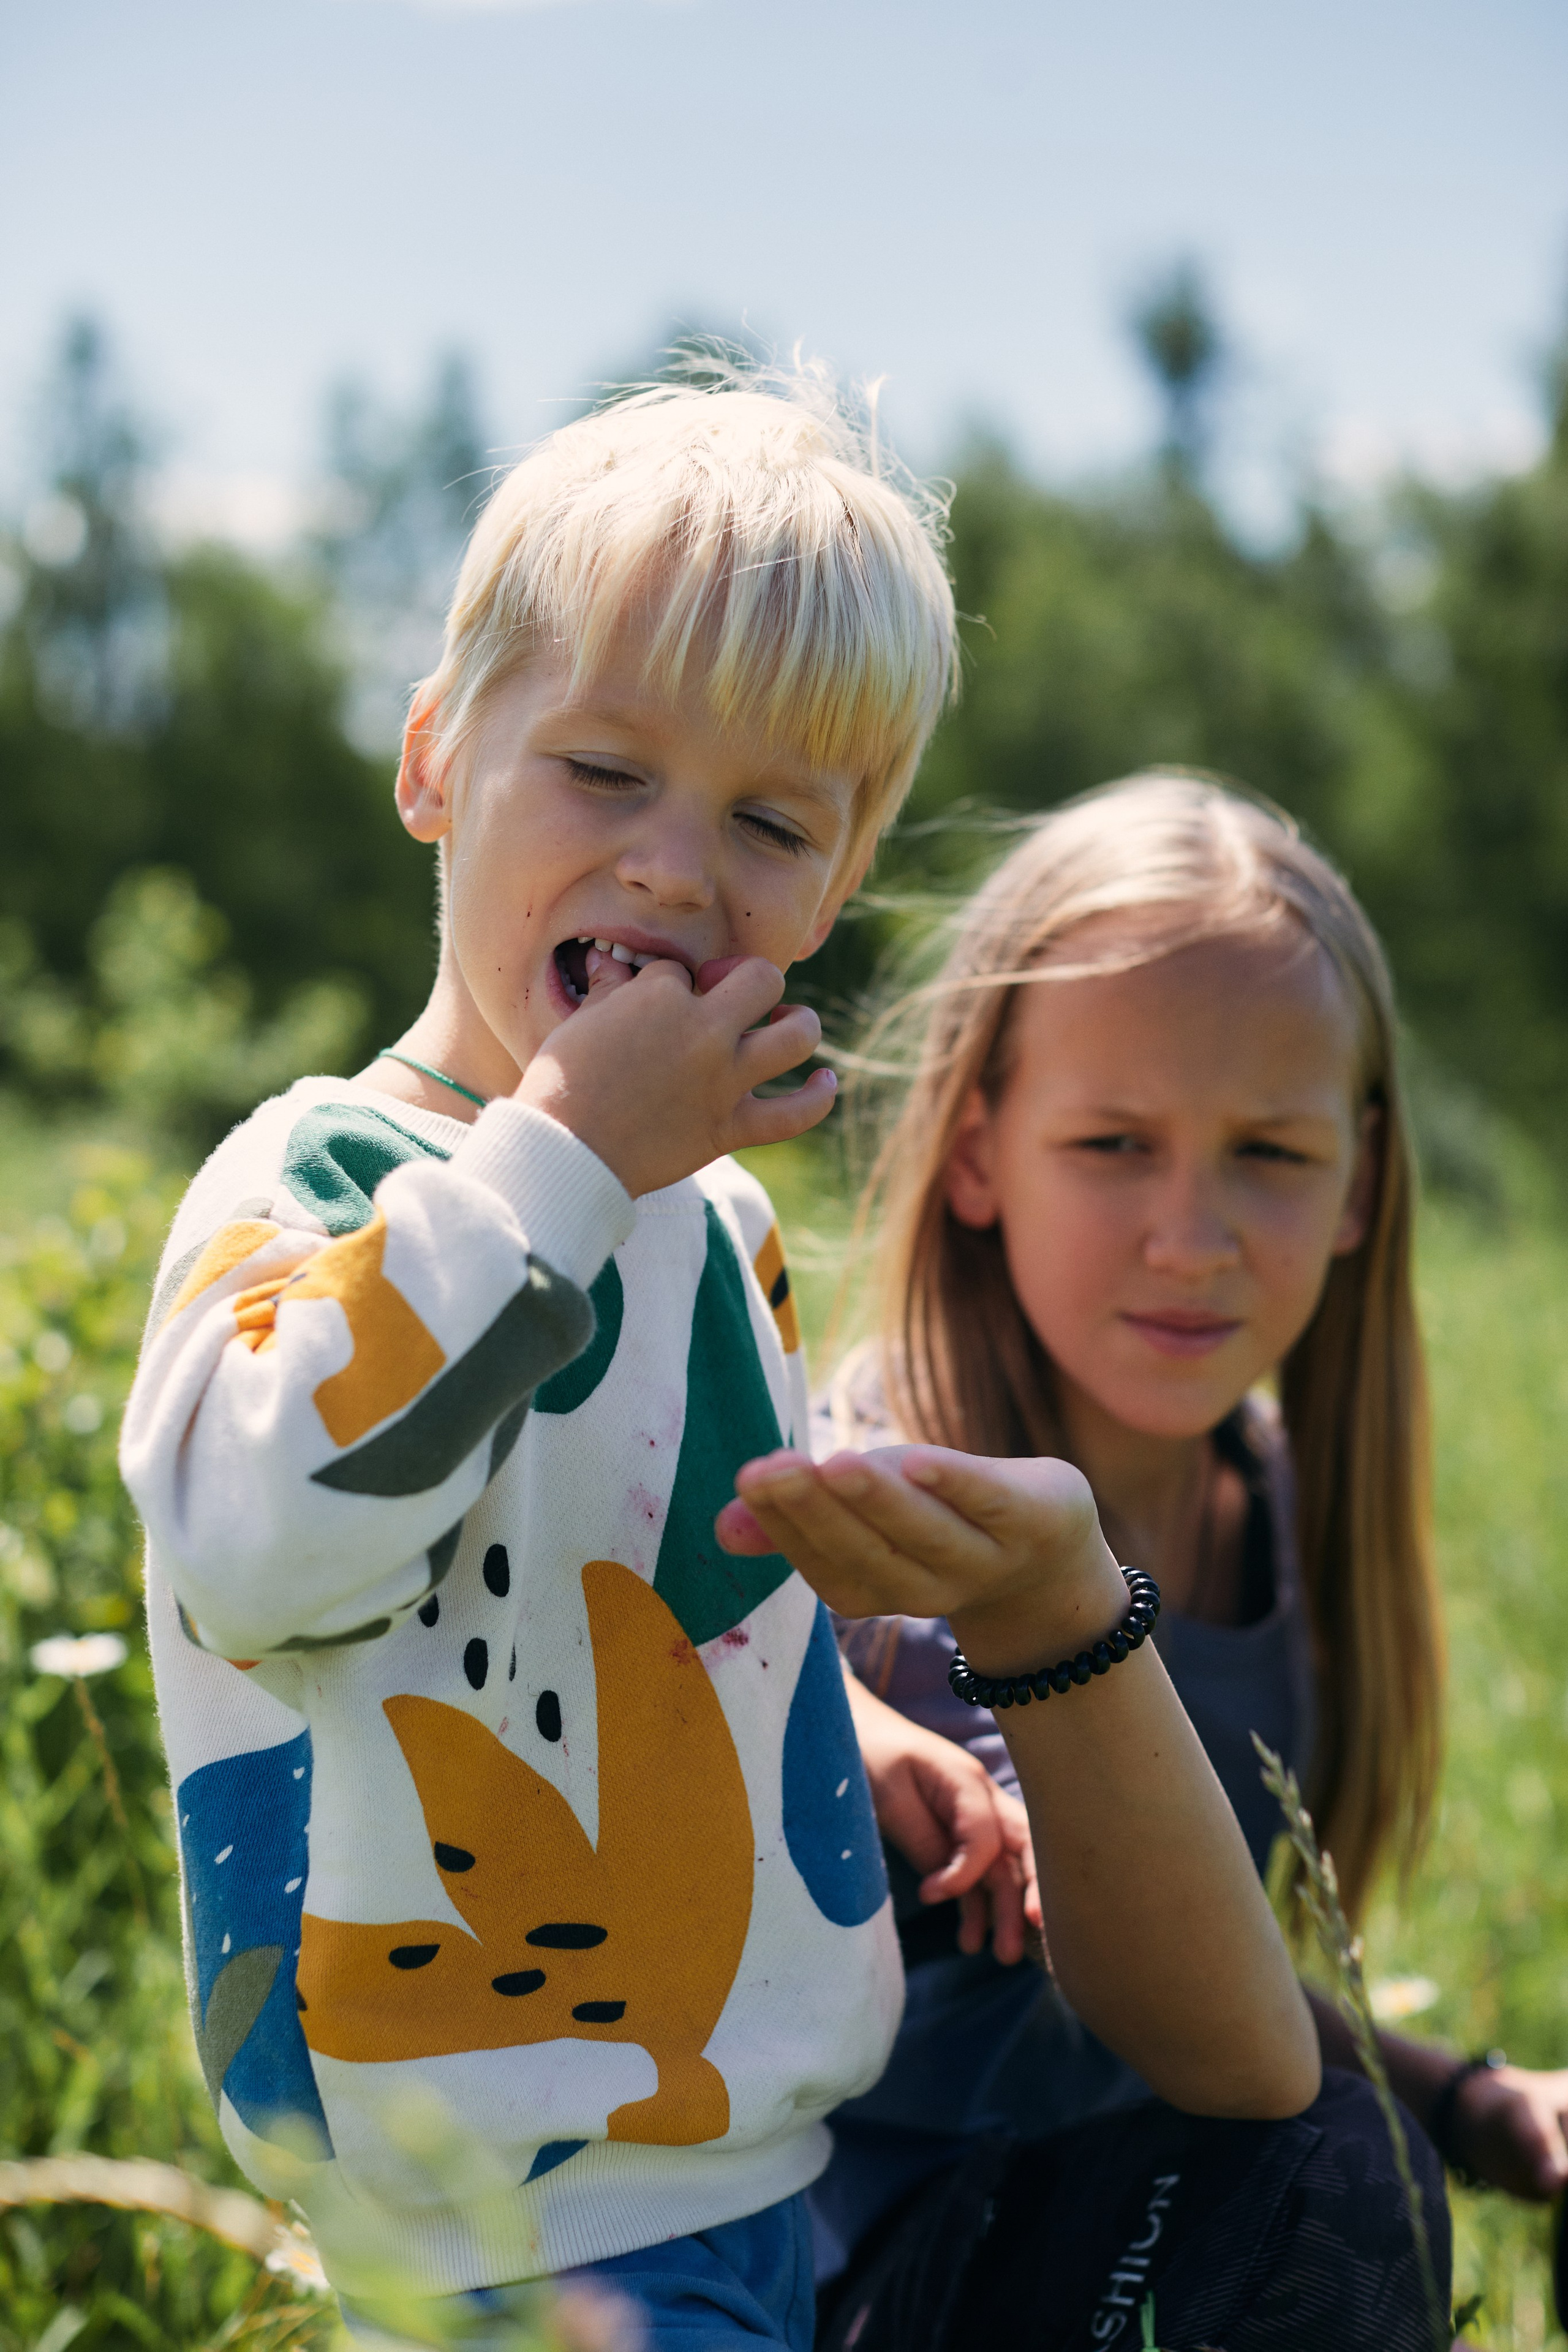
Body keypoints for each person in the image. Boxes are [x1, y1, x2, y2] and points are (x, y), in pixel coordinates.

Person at [120, 363, 963, 2348]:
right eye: (603, 772)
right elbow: (259, 1550)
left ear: (834, 891)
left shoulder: (721, 1220)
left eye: (770, 821)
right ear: (433, 763)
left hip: (749, 2163)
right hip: (485, 2189)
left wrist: (857, 1737)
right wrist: (565, 1153)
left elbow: (659, 1621)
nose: (677, 865)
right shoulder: (323, 1180)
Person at [729, 772, 1568, 2346]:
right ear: (977, 1156)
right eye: (1113, 1144)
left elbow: (1210, 1975)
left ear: (1360, 1183)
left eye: (1265, 1152)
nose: (1191, 1235)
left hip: (1123, 2207)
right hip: (839, 2282)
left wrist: (1468, 2096)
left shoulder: (1276, 1506)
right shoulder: (870, 1518)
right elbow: (1212, 2047)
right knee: (1332, 2170)